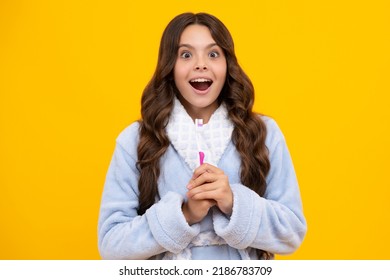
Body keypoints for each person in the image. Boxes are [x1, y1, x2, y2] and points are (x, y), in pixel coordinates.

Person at [98, 12, 307, 260]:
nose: (201, 64)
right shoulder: (135, 140)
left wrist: (232, 202)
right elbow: (111, 244)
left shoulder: (264, 133)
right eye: (186, 54)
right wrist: (184, 214)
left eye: (213, 54)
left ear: (227, 64)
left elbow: (292, 232)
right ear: (170, 67)